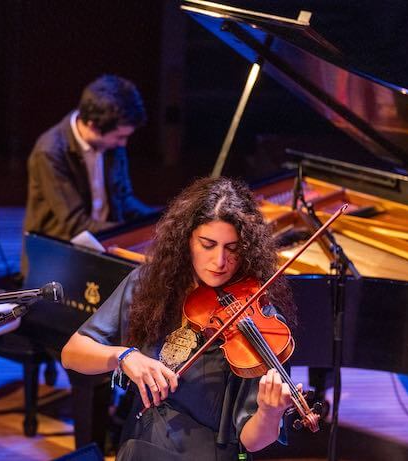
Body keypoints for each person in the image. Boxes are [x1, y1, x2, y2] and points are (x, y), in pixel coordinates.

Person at [61, 177, 299, 460]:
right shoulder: (149, 285)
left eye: (232, 248)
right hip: (139, 445)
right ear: (187, 238)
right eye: (207, 244)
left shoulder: (261, 322)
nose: (219, 261)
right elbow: (72, 353)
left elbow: (252, 440)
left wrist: (270, 412)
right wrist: (123, 357)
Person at [21, 74, 154, 275]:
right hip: (59, 258)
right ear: (92, 125)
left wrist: (159, 222)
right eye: (120, 136)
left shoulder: (111, 145)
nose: (123, 144)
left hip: (101, 245)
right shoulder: (50, 151)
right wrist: (129, 235)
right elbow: (76, 225)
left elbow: (124, 199)